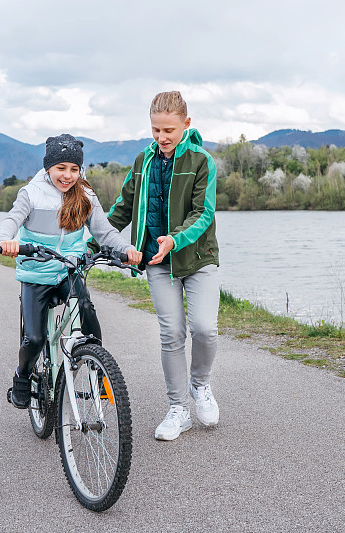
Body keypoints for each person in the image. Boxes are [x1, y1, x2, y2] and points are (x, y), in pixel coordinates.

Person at [102, 91, 220, 440]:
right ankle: (178, 409)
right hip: (158, 262)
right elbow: (122, 208)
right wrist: (94, 242)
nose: (162, 137)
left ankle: (201, 386)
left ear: (186, 123)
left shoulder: (202, 161)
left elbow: (204, 213)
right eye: (155, 130)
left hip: (198, 259)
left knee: (204, 329)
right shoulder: (143, 161)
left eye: (169, 130)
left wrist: (175, 238)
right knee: (171, 334)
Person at [0, 133, 142, 409]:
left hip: (68, 268)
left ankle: (100, 370)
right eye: (61, 168)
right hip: (36, 271)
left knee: (86, 309)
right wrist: (5, 240)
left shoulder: (85, 195)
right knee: (35, 338)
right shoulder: (31, 193)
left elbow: (105, 231)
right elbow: (11, 220)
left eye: (74, 169)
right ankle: (23, 376)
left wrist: (127, 250)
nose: (68, 175)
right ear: (48, 167)